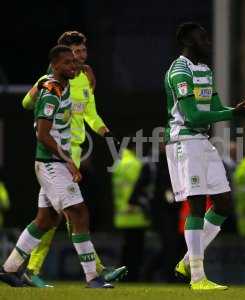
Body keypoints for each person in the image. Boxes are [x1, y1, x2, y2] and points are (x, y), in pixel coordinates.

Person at [0, 46, 112, 288]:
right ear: (55, 66)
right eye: (68, 63)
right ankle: (93, 277)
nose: (73, 66)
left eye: (75, 62)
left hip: (53, 162)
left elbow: (32, 102)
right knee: (79, 213)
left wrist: (87, 74)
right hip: (51, 163)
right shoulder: (52, 91)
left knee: (46, 220)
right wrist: (68, 160)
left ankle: (9, 269)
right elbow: (42, 134)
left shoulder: (65, 84)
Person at [21, 31, 126, 287]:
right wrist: (38, 91)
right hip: (56, 154)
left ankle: (21, 268)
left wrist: (103, 130)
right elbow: (26, 104)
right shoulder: (51, 82)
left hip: (74, 154)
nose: (80, 58)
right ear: (64, 55)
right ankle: (90, 271)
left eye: (83, 52)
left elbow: (90, 112)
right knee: (67, 214)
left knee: (56, 215)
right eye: (75, 53)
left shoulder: (86, 76)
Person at [164, 22, 245, 290]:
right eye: (203, 38)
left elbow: (214, 107)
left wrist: (240, 109)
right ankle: (198, 278)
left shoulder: (205, 70)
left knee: (223, 203)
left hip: (202, 140)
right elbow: (193, 115)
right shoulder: (179, 72)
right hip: (184, 139)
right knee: (197, 203)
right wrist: (232, 113)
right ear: (188, 41)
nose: (208, 43)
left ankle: (187, 261)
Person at [112, 146, 150, 281]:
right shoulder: (136, 164)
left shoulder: (118, 164)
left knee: (125, 251)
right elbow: (142, 189)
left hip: (122, 215)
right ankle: (133, 278)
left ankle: (122, 277)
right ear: (135, 148)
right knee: (136, 252)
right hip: (136, 215)